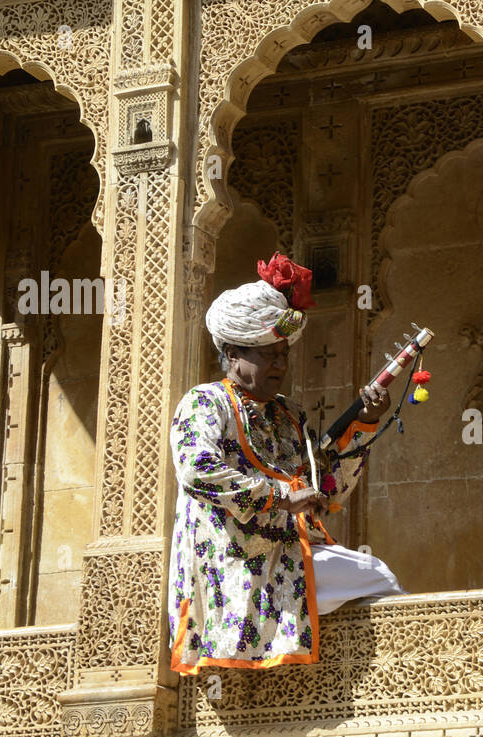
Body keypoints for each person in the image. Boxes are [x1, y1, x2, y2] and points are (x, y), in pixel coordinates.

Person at [167, 253, 406, 674]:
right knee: (377, 576)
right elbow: (196, 470)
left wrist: (365, 425)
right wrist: (279, 497)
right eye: (267, 355)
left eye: (282, 354)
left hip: (292, 556)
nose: (280, 364)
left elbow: (325, 490)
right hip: (235, 565)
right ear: (232, 354)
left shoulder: (288, 413)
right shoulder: (206, 401)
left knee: (375, 578)